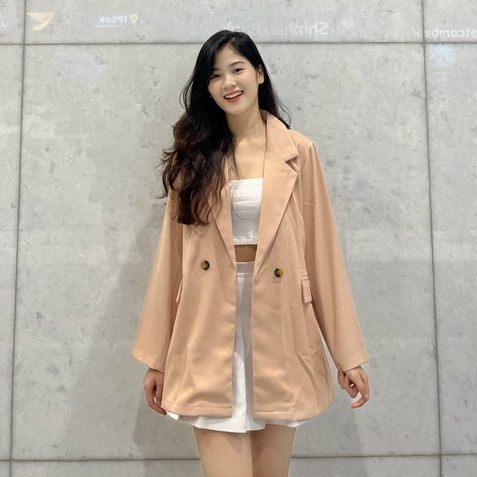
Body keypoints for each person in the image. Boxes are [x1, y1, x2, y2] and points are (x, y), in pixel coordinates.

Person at [131, 29, 370, 477]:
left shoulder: (298, 152)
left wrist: (347, 355)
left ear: (259, 73)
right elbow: (171, 261)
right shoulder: (193, 157)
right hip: (207, 323)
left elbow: (322, 255)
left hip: (280, 323)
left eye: (236, 69)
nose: (228, 82)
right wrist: (157, 359)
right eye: (215, 75)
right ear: (206, 87)